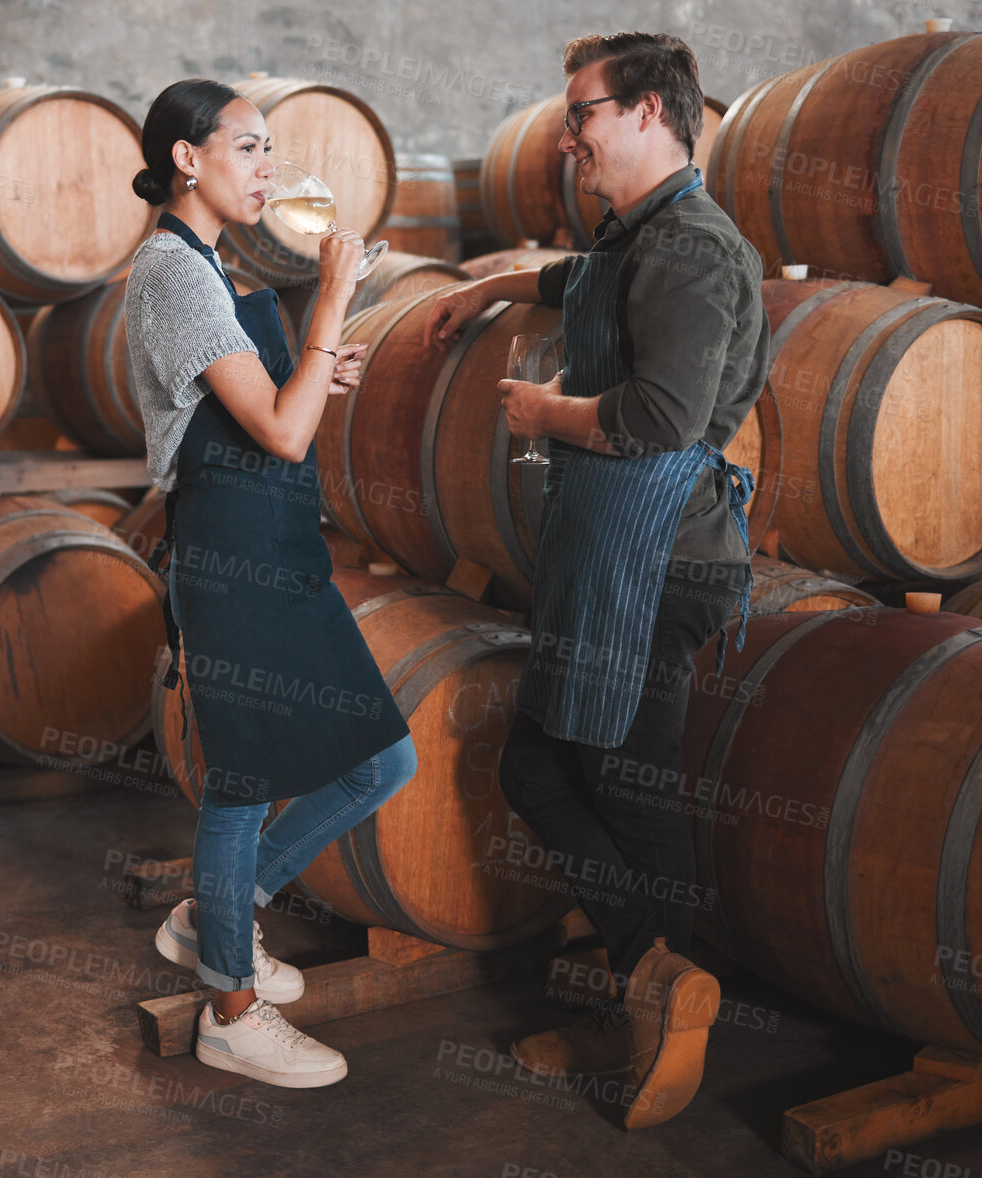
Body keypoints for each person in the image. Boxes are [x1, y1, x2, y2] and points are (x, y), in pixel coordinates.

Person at [424, 33, 769, 1128]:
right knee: (538, 769)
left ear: (651, 112)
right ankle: (656, 978)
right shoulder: (636, 234)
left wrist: (543, 414)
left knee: (625, 785)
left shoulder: (697, 249)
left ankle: (666, 994)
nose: (567, 130)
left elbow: (661, 417)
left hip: (664, 564)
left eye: (582, 110)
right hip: (605, 558)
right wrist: (493, 283)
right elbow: (586, 280)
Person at [124, 78, 419, 1089]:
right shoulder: (173, 270)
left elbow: (269, 403)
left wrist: (315, 362)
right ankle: (229, 1010)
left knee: (377, 758)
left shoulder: (202, 264)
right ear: (186, 160)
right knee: (243, 779)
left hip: (269, 541)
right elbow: (282, 433)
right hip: (229, 544)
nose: (265, 169)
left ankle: (214, 915)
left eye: (267, 150)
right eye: (248, 148)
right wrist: (332, 297)